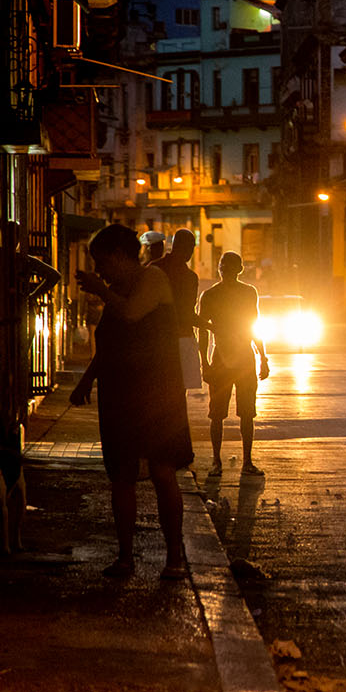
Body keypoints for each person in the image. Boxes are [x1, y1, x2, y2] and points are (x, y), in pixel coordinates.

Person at [69, 224, 193, 580]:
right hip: (120, 391)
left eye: (103, 262)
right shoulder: (117, 289)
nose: (101, 272)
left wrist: (99, 291)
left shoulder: (152, 280)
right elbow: (109, 344)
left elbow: (131, 314)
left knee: (162, 471)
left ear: (123, 257)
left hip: (158, 391)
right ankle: (125, 558)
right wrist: (86, 380)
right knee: (121, 474)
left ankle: (174, 559)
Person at [199, 251, 270, 477]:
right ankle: (238, 462)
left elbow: (252, 325)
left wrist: (263, 357)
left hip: (229, 359)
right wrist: (262, 357)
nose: (225, 271)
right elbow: (253, 326)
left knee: (224, 414)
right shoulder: (245, 293)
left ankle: (220, 462)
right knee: (237, 414)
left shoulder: (214, 295)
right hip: (235, 359)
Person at [155, 228, 203, 391]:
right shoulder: (189, 277)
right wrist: (212, 327)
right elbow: (187, 314)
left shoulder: (155, 268)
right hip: (179, 338)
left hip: (158, 339)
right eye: (190, 247)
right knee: (177, 392)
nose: (190, 252)